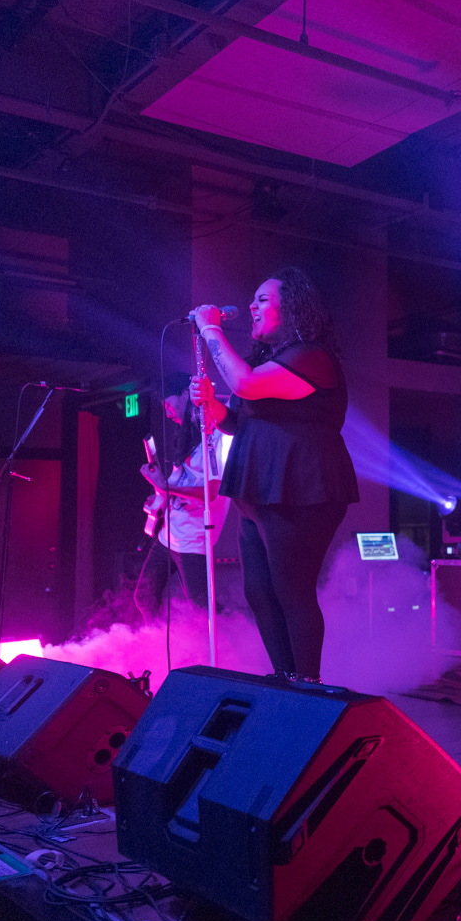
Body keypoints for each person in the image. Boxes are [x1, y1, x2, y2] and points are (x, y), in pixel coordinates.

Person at [188, 267, 359, 683]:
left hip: (299, 487)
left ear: (294, 307)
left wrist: (210, 329)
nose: (251, 306)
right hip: (257, 489)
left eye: (262, 299)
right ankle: (285, 678)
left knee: (291, 590)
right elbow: (236, 422)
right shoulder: (266, 360)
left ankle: (308, 684)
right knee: (259, 592)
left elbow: (244, 384)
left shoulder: (312, 356)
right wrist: (211, 405)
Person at [134, 374, 231, 623]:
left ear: (186, 395)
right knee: (144, 596)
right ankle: (155, 643)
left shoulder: (218, 437)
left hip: (192, 539)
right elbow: (179, 483)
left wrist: (165, 487)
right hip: (168, 535)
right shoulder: (188, 436)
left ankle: (240, 637)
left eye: (168, 405)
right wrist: (159, 497)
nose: (167, 414)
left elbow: (211, 493)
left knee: (203, 609)